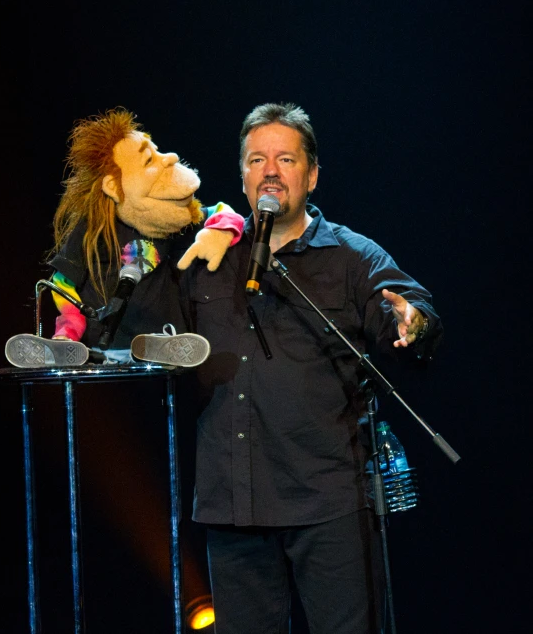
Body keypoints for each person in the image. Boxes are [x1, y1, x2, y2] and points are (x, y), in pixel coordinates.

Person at [181, 102, 444, 633]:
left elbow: (411, 308)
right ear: (242, 174)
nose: (270, 171)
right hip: (233, 504)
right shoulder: (208, 258)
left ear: (313, 175)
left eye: (285, 159)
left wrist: (413, 321)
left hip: (328, 505)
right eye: (256, 160)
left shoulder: (351, 256)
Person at [5, 108, 244, 367]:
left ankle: (161, 345)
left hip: (155, 339)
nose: (170, 158)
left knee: (160, 338)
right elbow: (63, 281)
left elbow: (223, 211)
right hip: (97, 341)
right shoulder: (96, 227)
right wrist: (69, 325)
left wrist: (218, 232)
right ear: (112, 187)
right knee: (87, 346)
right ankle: (65, 347)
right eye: (148, 160)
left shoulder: (171, 223)